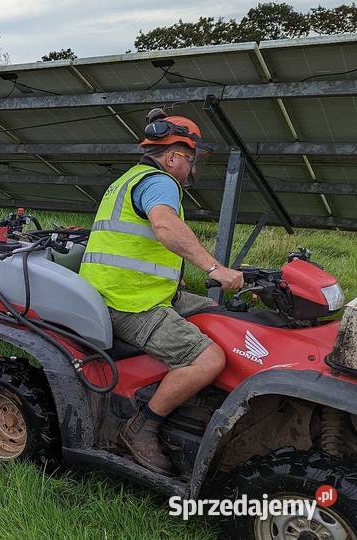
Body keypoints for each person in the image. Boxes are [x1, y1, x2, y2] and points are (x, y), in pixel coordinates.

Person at [78, 109, 244, 474]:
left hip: (129, 289)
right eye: (191, 159)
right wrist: (215, 269)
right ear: (172, 157)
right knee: (209, 359)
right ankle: (142, 426)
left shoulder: (129, 179)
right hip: (129, 301)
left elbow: (139, 245)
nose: (193, 169)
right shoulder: (161, 182)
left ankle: (196, 399)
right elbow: (165, 227)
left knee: (223, 318)